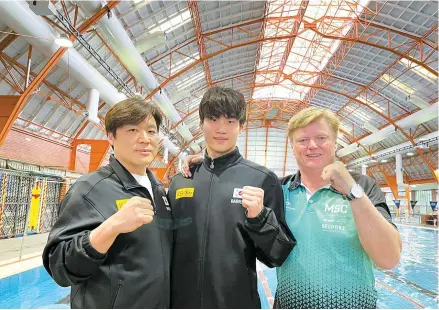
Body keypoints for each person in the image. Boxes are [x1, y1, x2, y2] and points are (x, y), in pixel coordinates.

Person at [182, 107, 402, 309]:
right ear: (292, 146)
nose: (312, 146)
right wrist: (209, 165)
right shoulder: (279, 189)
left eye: (321, 138)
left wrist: (353, 192)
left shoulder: (363, 187)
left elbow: (389, 259)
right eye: (303, 140)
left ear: (335, 142)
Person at [168, 86, 295, 308]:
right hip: (181, 302)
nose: (221, 129)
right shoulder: (181, 180)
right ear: (201, 124)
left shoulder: (262, 180)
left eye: (230, 121)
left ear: (241, 127)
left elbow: (276, 255)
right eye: (213, 119)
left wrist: (260, 218)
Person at [42, 98, 173, 308]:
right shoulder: (89, 189)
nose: (144, 139)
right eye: (132, 130)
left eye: (151, 131)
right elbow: (60, 268)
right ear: (111, 136)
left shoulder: (159, 189)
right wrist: (111, 227)